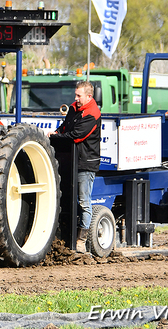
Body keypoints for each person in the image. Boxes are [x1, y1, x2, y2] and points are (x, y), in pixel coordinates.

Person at [47, 81, 101, 254]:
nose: (75, 98)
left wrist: (58, 137)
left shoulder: (92, 113)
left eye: (79, 95)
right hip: (69, 160)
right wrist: (57, 132)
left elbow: (77, 136)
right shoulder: (73, 109)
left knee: (84, 202)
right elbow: (65, 127)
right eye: (75, 95)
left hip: (85, 163)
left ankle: (81, 240)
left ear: (89, 96)